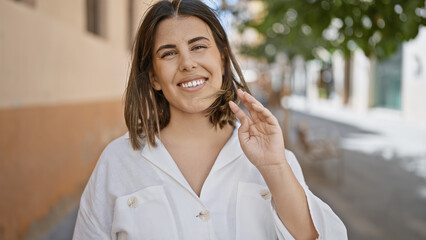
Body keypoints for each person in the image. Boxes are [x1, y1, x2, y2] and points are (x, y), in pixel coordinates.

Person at [73, 0, 347, 239]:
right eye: (168, 53)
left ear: (223, 60)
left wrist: (274, 167)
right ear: (154, 77)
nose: (187, 63)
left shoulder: (275, 157)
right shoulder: (117, 162)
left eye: (199, 47)